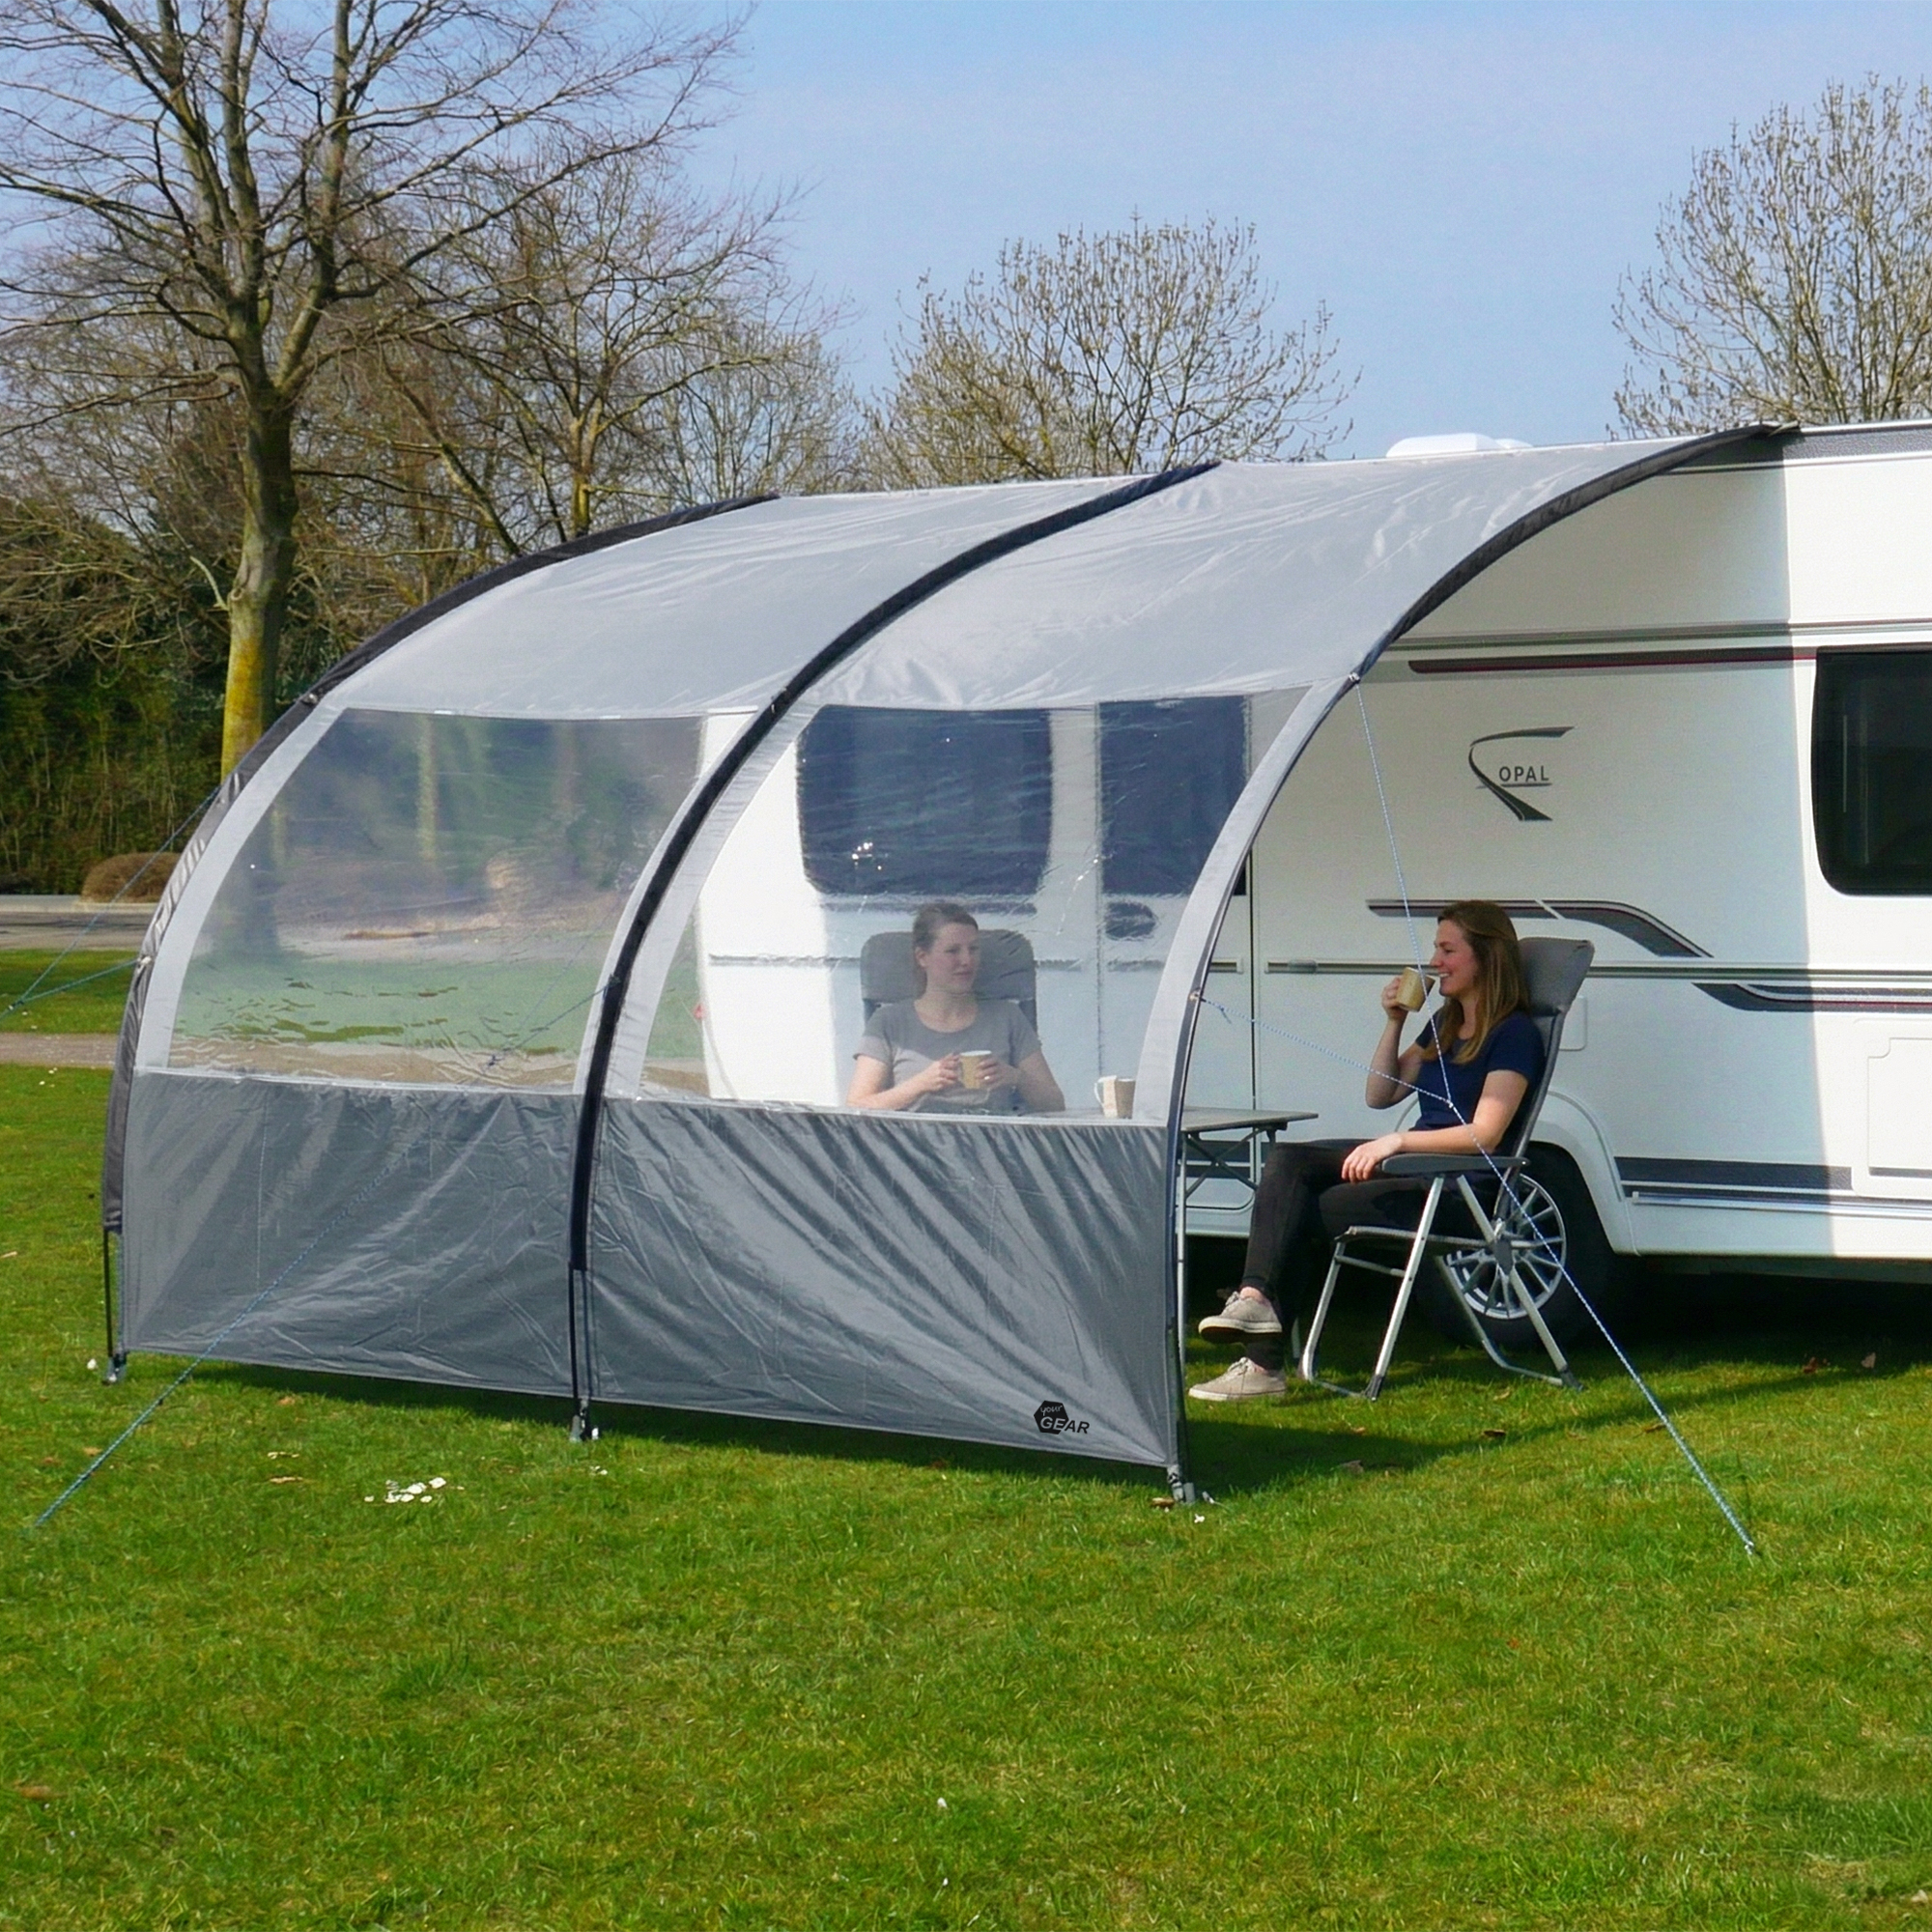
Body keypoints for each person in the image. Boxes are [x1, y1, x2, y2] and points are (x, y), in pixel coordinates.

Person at [1189, 899, 1543, 1402]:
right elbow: (1381, 1094)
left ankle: (1263, 1366)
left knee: (1310, 1208)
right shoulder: (1443, 1025)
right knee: (1288, 1162)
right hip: (1414, 1171)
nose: (1434, 961)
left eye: (1447, 949)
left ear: (1486, 956)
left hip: (1458, 1191)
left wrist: (1397, 1141)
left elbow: (1485, 1134)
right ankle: (1253, 1300)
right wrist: (1395, 1021)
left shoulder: (1514, 1035)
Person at [847, 900, 1066, 1115]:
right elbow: (856, 1107)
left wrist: (1015, 1077)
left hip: (993, 1146)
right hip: (915, 1147)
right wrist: (920, 1084)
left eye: (973, 949)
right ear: (922, 957)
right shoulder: (889, 1022)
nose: (966, 960)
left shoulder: (1007, 1017)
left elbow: (1054, 1103)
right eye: (953, 951)